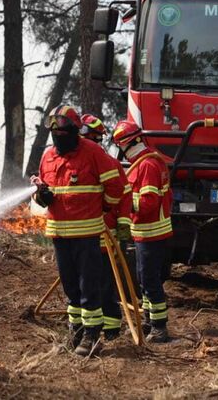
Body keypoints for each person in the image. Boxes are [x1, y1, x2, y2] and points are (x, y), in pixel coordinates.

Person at [31, 106, 129, 356]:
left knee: (89, 286)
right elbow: (44, 194)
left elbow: (116, 186)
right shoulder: (48, 157)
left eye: (63, 130)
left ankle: (92, 335)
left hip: (86, 233)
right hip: (58, 233)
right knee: (70, 286)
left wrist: (104, 207)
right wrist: (42, 195)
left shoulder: (92, 152)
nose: (58, 136)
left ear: (75, 131)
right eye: (54, 131)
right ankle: (75, 330)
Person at [112, 120, 173, 343]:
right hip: (144, 233)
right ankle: (148, 321)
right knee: (143, 279)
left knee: (149, 280)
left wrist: (124, 203)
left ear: (129, 144)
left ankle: (159, 328)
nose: (122, 153)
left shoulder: (147, 165)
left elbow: (148, 203)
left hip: (151, 233)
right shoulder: (144, 162)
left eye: (121, 147)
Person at [80, 113, 132, 341]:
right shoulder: (74, 161)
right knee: (84, 284)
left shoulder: (107, 162)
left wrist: (123, 226)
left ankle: (110, 328)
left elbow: (125, 193)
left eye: (87, 135)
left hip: (103, 237)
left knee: (104, 284)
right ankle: (88, 326)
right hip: (79, 237)